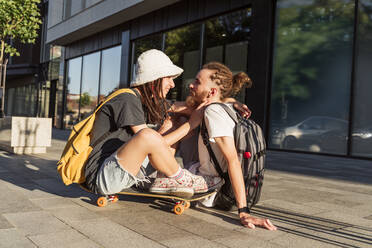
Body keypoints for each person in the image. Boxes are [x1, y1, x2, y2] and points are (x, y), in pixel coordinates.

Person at [154, 62, 277, 230]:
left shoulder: (213, 112)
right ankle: (161, 168)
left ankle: (161, 173)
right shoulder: (224, 108)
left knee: (176, 122)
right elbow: (176, 107)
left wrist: (243, 211)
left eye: (197, 81)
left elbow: (233, 160)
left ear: (212, 91)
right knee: (178, 118)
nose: (191, 84)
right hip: (214, 180)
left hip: (213, 191)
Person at [84, 49, 209, 198]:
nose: (172, 84)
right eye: (168, 78)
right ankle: (182, 178)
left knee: (174, 120)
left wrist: (228, 104)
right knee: (147, 135)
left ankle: (165, 178)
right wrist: (191, 125)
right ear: (153, 79)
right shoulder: (127, 99)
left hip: (128, 168)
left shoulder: (148, 101)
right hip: (103, 176)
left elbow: (187, 107)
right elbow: (149, 142)